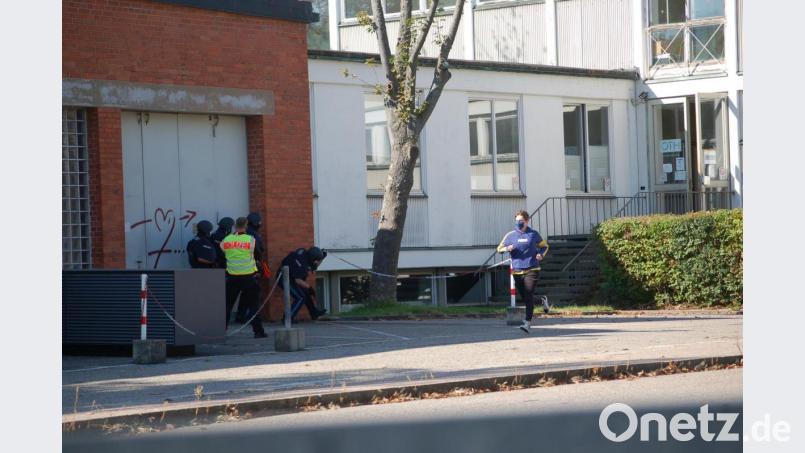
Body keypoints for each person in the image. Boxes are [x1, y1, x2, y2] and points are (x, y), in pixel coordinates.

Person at [497, 210, 550, 334]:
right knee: (526, 297)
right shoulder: (510, 235)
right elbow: (499, 249)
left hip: (532, 268)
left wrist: (541, 255)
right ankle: (542, 300)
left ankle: (527, 323)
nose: (518, 223)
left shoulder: (533, 234)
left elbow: (545, 246)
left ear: (527, 221)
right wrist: (507, 248)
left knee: (528, 293)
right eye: (517, 221)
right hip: (517, 270)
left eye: (521, 221)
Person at [220, 217, 267, 338]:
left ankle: (221, 330)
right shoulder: (250, 239)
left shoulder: (226, 239)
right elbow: (257, 254)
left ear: (235, 226)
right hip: (248, 277)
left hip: (232, 277)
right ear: (246, 226)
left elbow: (222, 254)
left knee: (227, 305)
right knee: (253, 305)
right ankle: (258, 331)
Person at [278, 247, 328, 322]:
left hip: (292, 277)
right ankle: (287, 318)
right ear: (314, 260)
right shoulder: (302, 265)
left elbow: (315, 259)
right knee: (300, 298)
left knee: (306, 292)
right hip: (285, 279)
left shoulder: (306, 254)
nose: (318, 264)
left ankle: (314, 313)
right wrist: (310, 288)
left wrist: (322, 254)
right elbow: (298, 280)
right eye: (318, 262)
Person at [235, 212, 266, 322]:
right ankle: (252, 318)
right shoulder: (254, 235)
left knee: (240, 293)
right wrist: (259, 269)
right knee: (253, 294)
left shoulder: (238, 234)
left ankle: (240, 315)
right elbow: (258, 251)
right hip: (250, 268)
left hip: (236, 268)